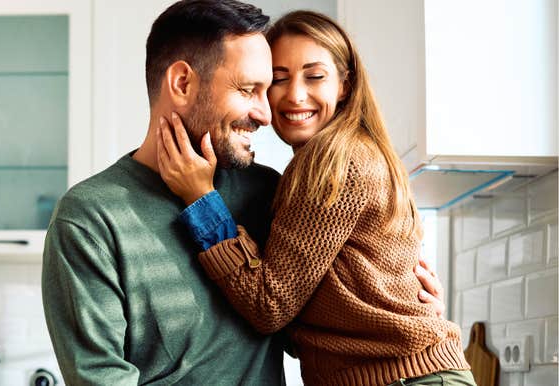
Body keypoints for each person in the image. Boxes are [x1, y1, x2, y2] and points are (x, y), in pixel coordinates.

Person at [42, 1, 445, 385]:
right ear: (182, 83)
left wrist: (406, 309)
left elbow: (298, 317)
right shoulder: (91, 217)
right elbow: (101, 377)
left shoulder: (270, 190)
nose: (266, 113)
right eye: (250, 89)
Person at [156, 10, 475, 386]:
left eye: (315, 76)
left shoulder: (336, 163)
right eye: (278, 78)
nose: (294, 95)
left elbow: (269, 306)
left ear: (344, 84)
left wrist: (200, 198)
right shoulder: (347, 153)